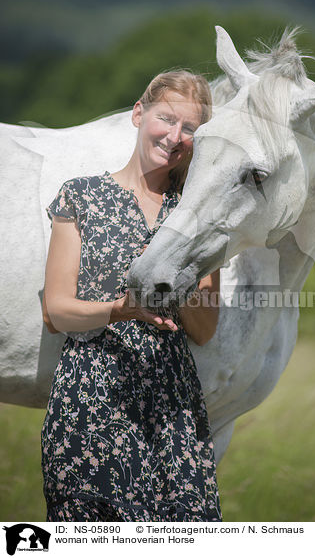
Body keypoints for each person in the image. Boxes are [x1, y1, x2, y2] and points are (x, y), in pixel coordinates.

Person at [41, 70, 222, 522]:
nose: (175, 136)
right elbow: (56, 312)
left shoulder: (202, 213)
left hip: (172, 406)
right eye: (166, 118)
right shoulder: (80, 196)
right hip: (90, 399)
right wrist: (122, 309)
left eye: (190, 128)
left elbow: (203, 331)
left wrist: (172, 274)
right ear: (139, 114)